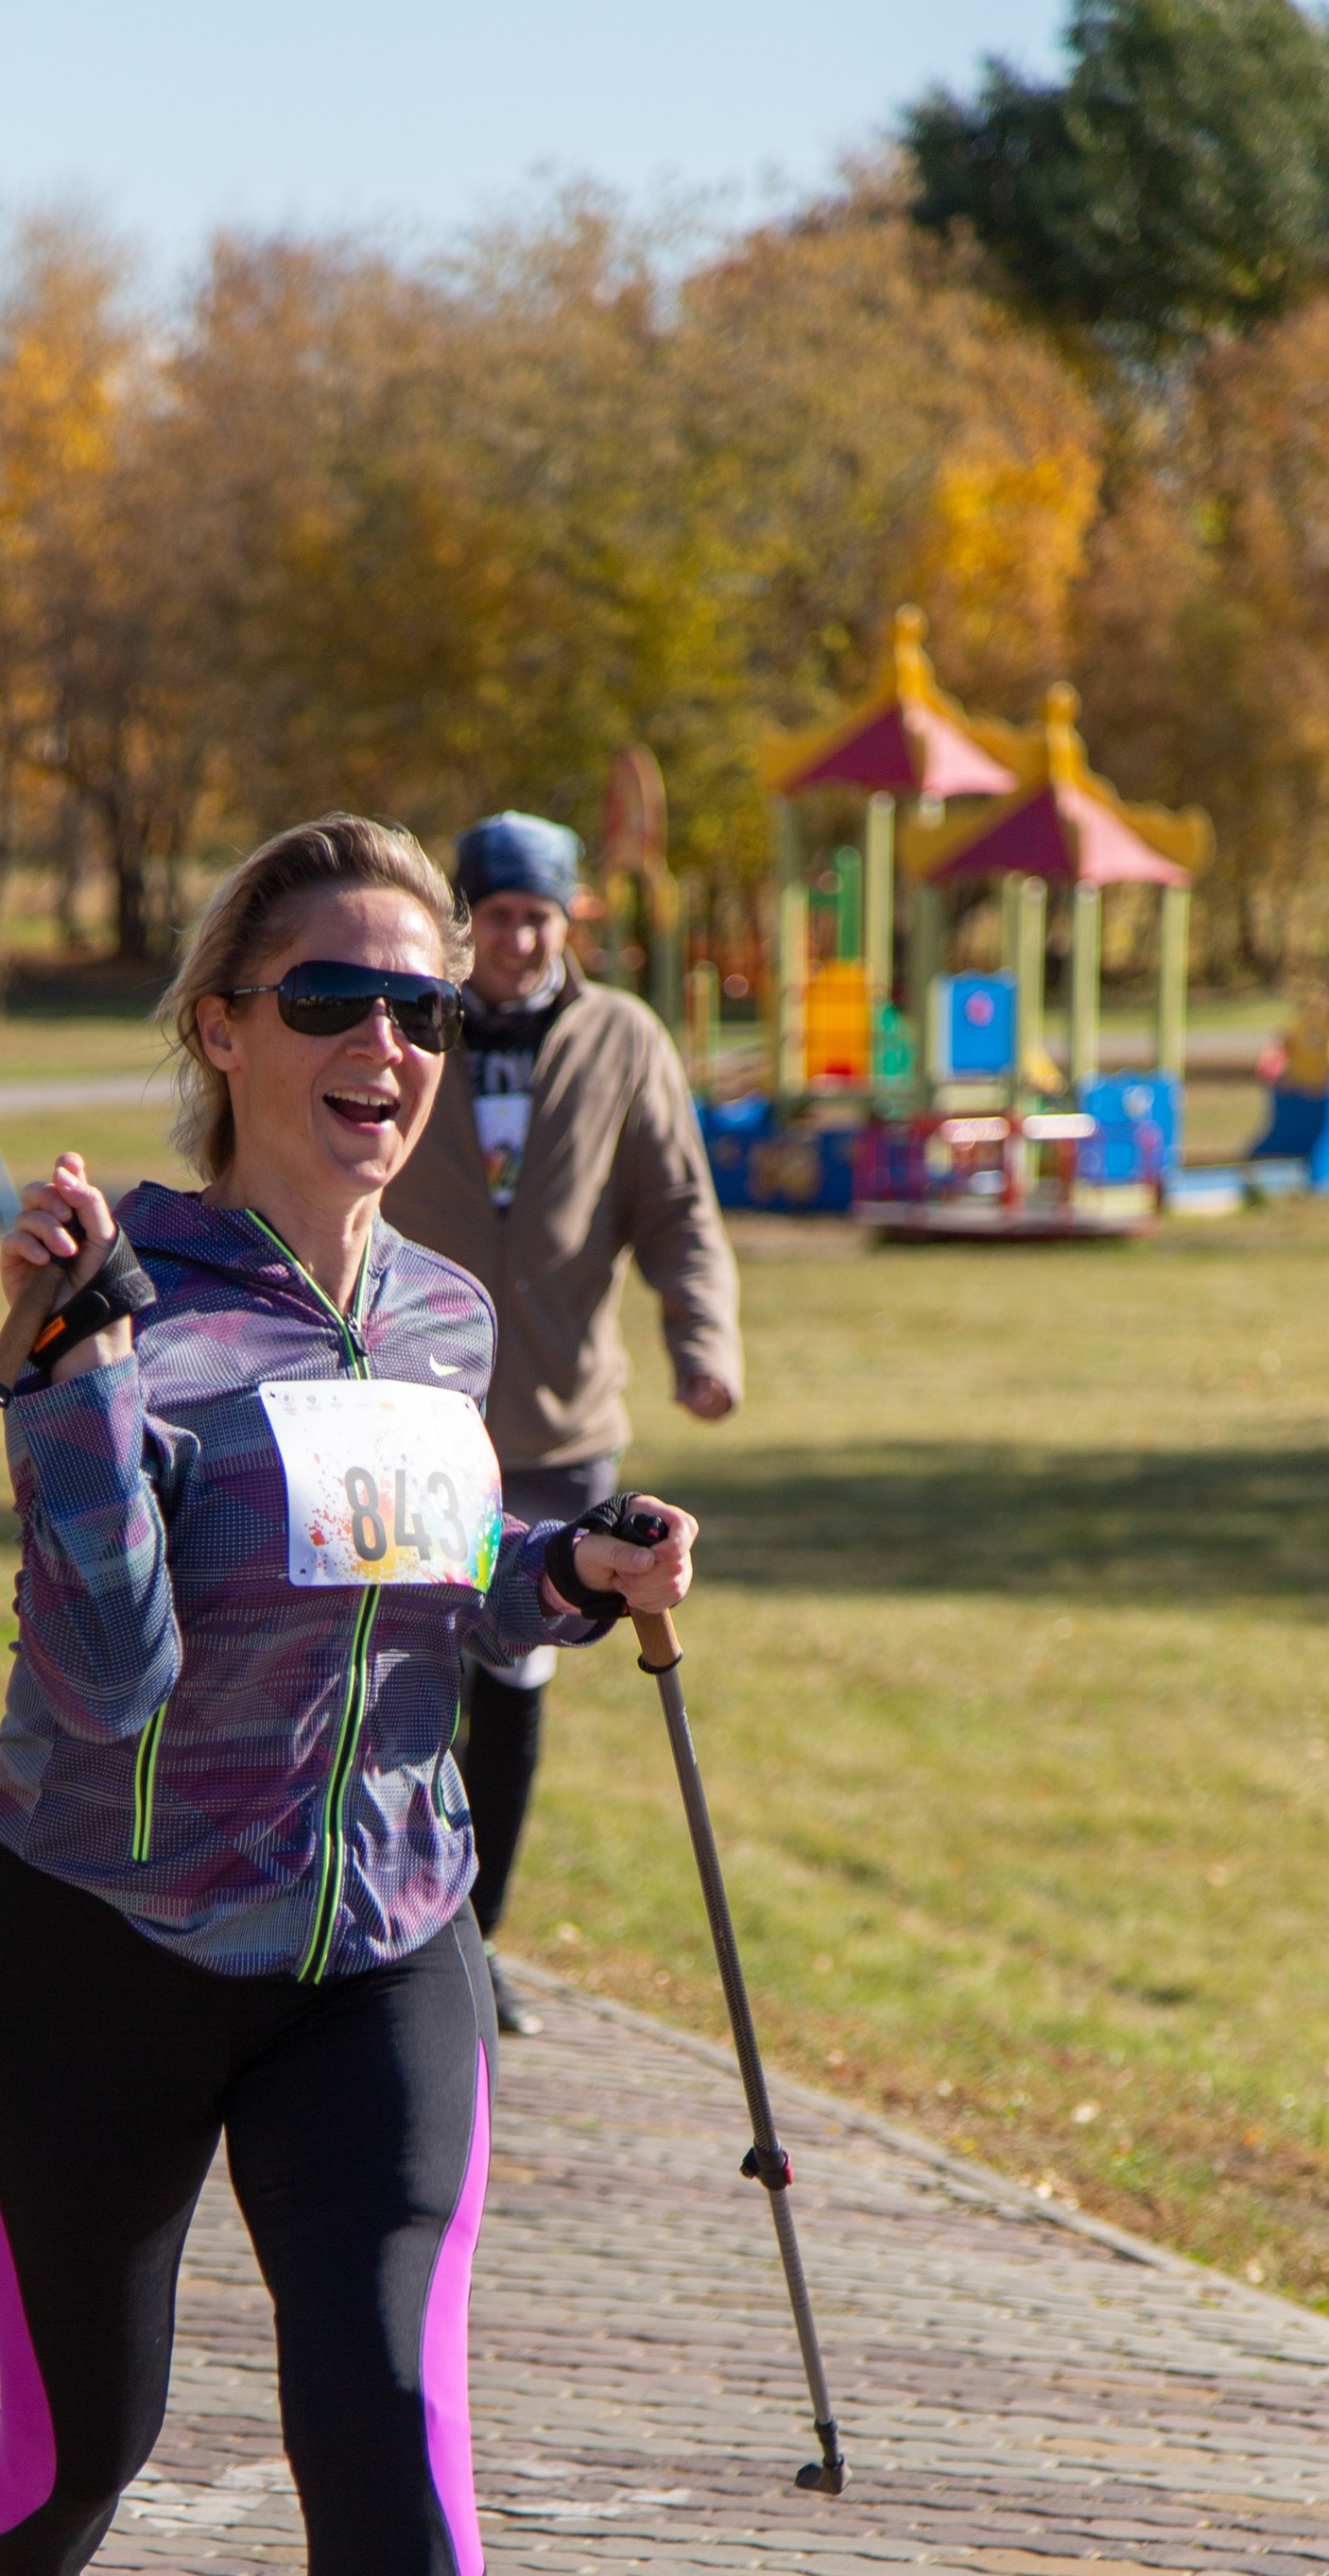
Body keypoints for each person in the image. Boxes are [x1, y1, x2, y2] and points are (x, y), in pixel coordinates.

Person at [0, 814, 697, 2576]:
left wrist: (563, 1565)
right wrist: (67, 1394)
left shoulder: (444, 1316)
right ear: (221, 1025)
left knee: (391, 2439)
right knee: (87, 2447)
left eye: (428, 1008)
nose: (390, 1044)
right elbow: (121, 1669)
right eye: (337, 997)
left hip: (379, 1946)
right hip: (92, 1958)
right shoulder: (126, 1296)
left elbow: (448, 1611)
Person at [390, 811, 742, 2036]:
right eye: (495, 918)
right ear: (463, 925)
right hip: (419, 1414)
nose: (517, 940)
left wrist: (705, 1346)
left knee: (520, 1678)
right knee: (406, 1677)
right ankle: (395, 1920)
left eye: (539, 917)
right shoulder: (407, 1026)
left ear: (568, 921)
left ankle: (469, 1942)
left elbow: (678, 1206)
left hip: (557, 1421)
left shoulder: (619, 1039)